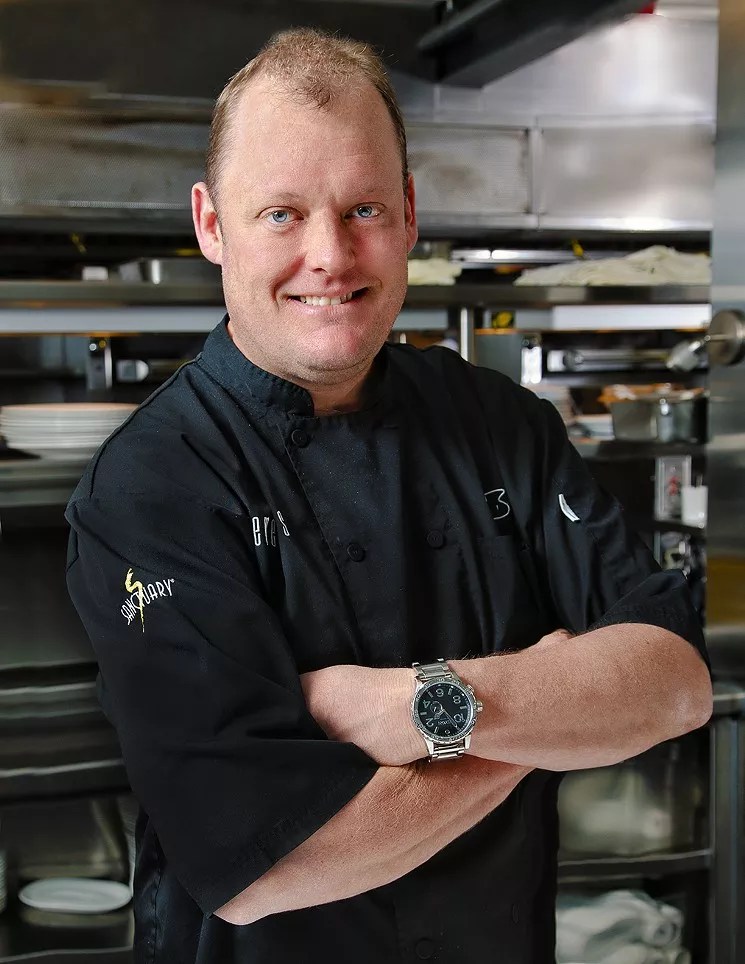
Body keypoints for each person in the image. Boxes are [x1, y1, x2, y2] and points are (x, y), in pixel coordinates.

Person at [65, 26, 713, 964]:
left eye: (362, 207)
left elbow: (676, 682)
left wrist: (422, 705)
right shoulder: (150, 485)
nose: (329, 255)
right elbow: (265, 867)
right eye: (280, 213)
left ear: (408, 213)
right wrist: (540, 713)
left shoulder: (502, 423)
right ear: (210, 225)